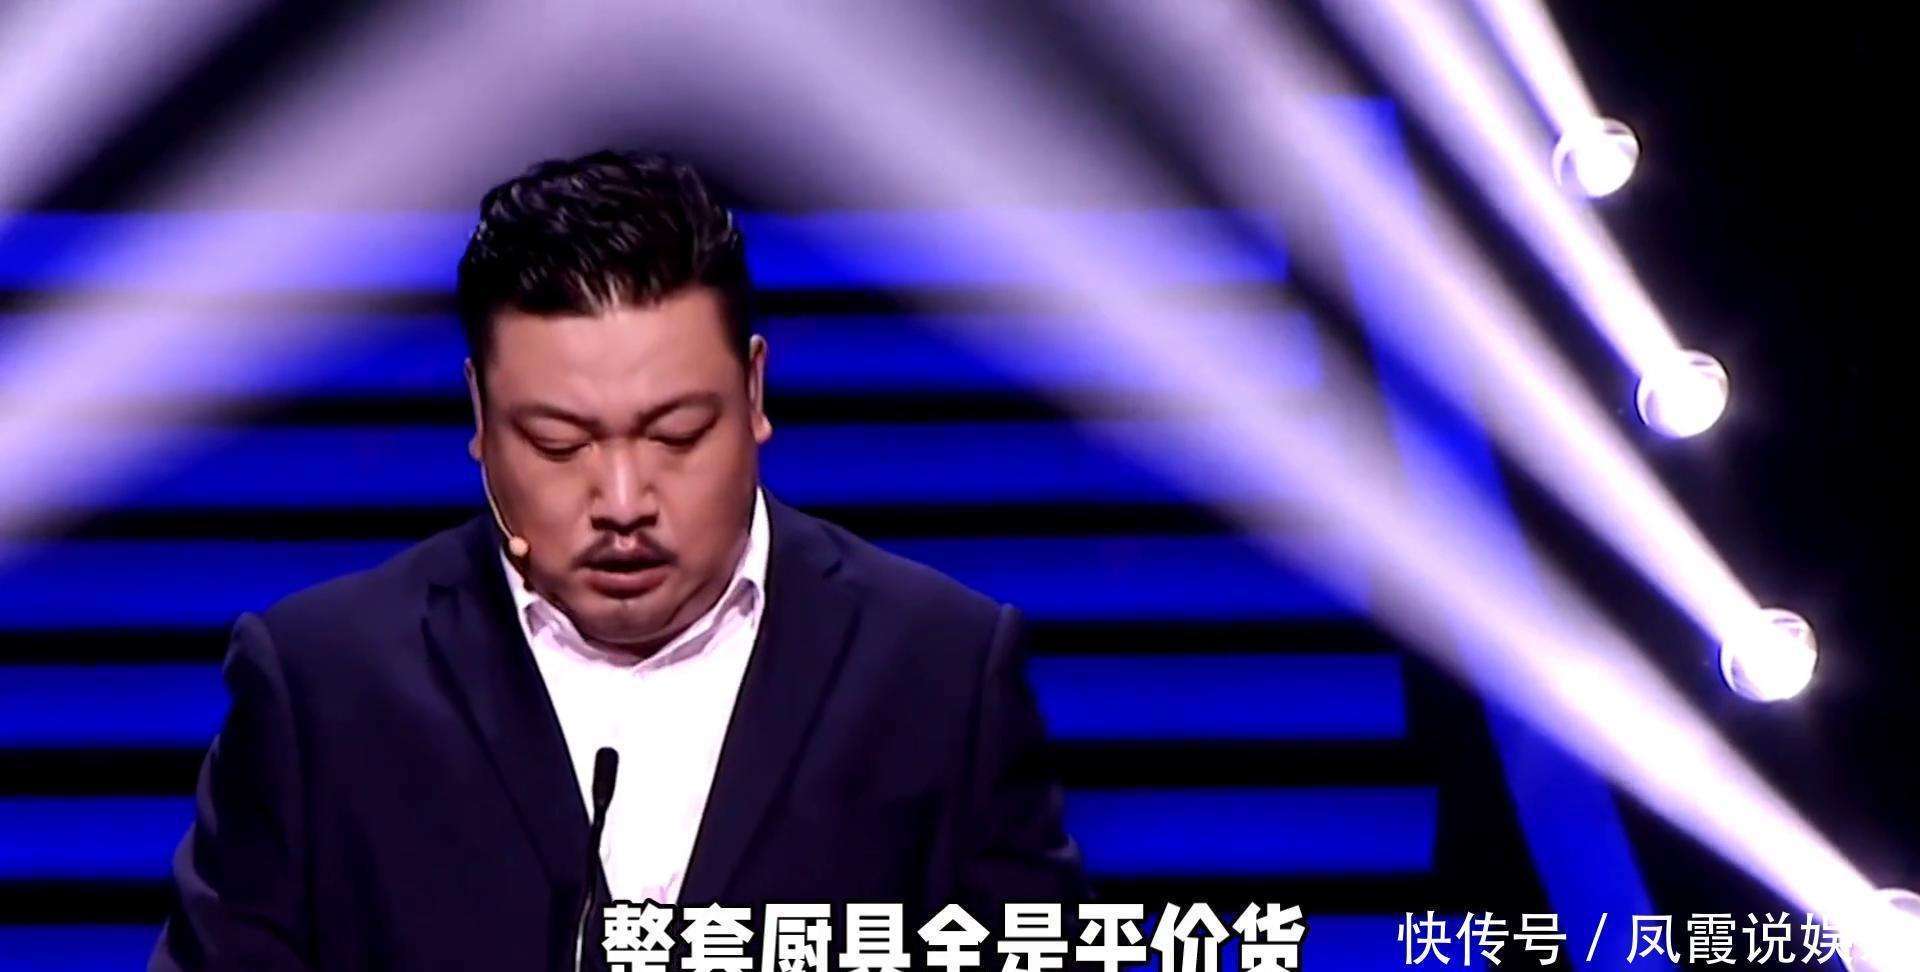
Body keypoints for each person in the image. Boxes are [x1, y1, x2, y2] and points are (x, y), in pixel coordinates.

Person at [153, 150, 1086, 971]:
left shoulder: (939, 672)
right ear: (480, 416)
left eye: (677, 435)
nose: (625, 501)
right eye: (559, 444)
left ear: (754, 391)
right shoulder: (323, 689)